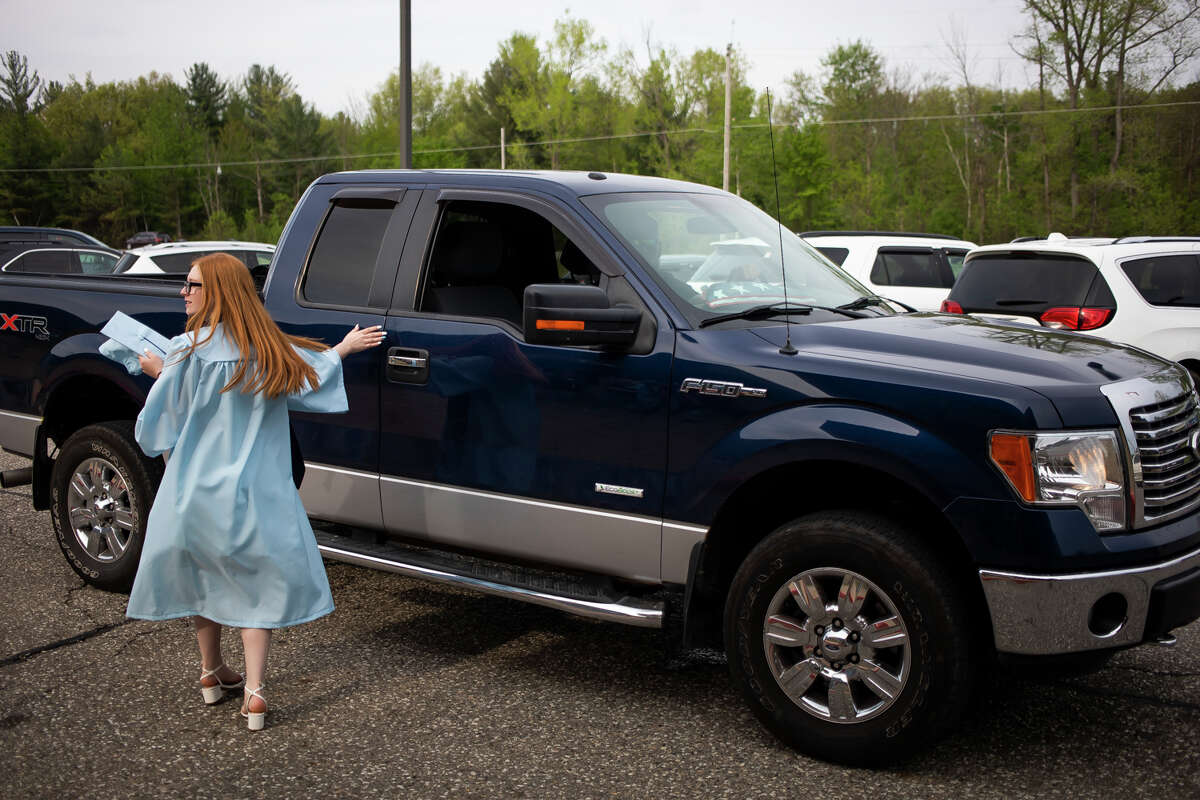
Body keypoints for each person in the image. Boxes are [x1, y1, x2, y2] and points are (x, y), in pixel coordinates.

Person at [127, 252, 385, 731]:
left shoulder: (187, 349)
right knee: (256, 585)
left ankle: (209, 675)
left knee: (204, 577)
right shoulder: (268, 348)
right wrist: (344, 349)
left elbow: (157, 426)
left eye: (191, 285)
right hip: (257, 490)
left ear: (217, 292)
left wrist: (158, 373)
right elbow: (311, 376)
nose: (184, 293)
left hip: (196, 488)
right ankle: (255, 692)